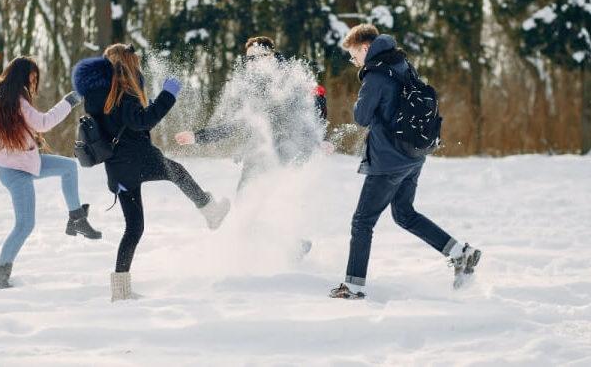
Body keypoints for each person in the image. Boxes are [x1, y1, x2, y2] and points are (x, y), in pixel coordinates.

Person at [329, 24, 481, 300]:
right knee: (404, 214)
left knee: (362, 222)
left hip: (388, 160)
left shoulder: (375, 76)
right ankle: (460, 253)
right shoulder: (402, 65)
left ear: (365, 48)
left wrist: (364, 91)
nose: (354, 62)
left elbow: (361, 117)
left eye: (353, 56)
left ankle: (353, 286)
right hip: (413, 156)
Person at [72, 44, 230, 301]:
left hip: (118, 171)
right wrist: (168, 95)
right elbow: (143, 121)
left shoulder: (96, 96)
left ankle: (120, 291)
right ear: (128, 63)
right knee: (178, 172)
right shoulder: (124, 91)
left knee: (133, 227)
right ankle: (210, 210)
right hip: (140, 158)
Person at [0, 56, 101, 291]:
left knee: (68, 168)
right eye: (32, 76)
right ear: (22, 75)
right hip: (16, 172)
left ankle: (77, 219)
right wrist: (70, 100)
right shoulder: (15, 101)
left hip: (25, 163)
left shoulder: (0, 99)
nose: (34, 80)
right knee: (24, 225)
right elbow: (43, 122)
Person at [175, 36, 329, 194]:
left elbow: (311, 109)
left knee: (279, 200)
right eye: (249, 58)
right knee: (244, 197)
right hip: (257, 152)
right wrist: (197, 136)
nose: (253, 62)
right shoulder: (250, 86)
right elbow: (238, 124)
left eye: (257, 57)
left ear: (270, 55)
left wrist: (320, 140)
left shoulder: (290, 79)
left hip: (287, 151)